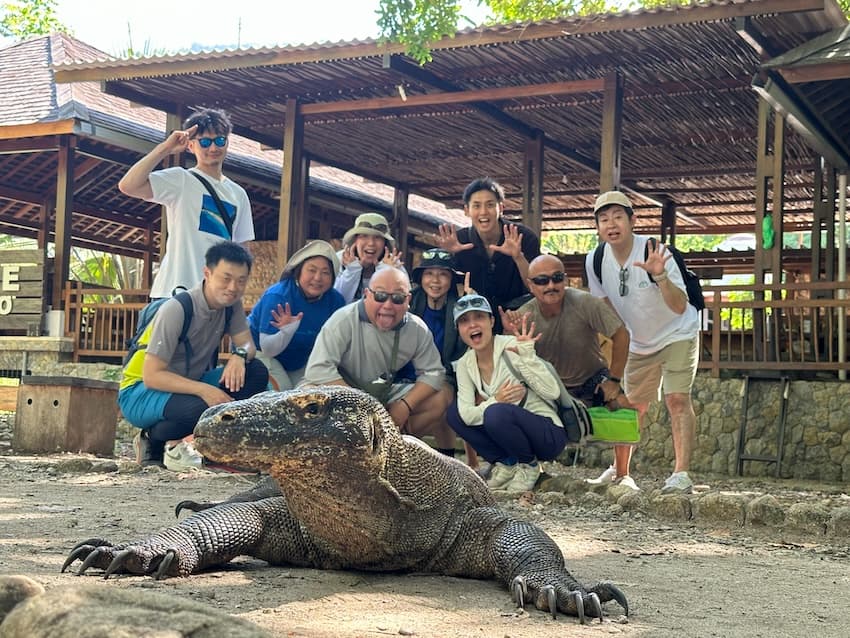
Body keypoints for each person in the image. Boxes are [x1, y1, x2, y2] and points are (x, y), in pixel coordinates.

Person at [585, 191, 700, 494]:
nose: (611, 224)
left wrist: (660, 276)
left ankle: (681, 474)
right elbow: (605, 307)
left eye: (618, 217)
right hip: (638, 341)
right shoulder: (595, 260)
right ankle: (620, 473)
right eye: (604, 219)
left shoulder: (655, 250)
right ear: (597, 226)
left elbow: (679, 306)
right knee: (631, 405)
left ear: (633, 220)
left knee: (677, 399)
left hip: (678, 332)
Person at [118, 241, 269, 470]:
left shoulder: (231, 306)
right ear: (207, 273)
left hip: (188, 383)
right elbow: (152, 376)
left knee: (256, 371)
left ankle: (221, 454)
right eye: (225, 278)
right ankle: (152, 439)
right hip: (140, 391)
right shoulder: (176, 309)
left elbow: (247, 344)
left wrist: (238, 355)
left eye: (241, 280)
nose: (232, 287)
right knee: (201, 409)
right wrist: (205, 390)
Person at [500, 253, 634, 486]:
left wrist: (614, 379)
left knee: (623, 406)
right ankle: (529, 468)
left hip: (592, 379)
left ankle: (622, 474)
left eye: (557, 278)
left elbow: (621, 334)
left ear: (566, 280)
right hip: (549, 386)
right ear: (530, 285)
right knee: (508, 408)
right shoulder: (522, 316)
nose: (550, 285)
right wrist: (512, 336)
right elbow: (510, 363)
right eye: (542, 281)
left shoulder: (586, 303)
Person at [302, 265, 456, 455]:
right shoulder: (343, 320)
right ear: (367, 294)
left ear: (408, 300)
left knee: (441, 397)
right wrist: (359, 404)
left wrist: (405, 405)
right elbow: (318, 369)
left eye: (398, 298)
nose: (388, 306)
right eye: (381, 296)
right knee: (308, 395)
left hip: (383, 393)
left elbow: (434, 373)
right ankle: (330, 453)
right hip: (343, 392)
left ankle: (392, 448)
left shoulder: (416, 329)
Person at [118, 108, 254, 299]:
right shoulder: (181, 179)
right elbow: (128, 185)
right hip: (174, 291)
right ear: (191, 146)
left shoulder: (238, 195)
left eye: (220, 140)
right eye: (205, 142)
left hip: (215, 298)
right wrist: (165, 148)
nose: (213, 148)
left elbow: (242, 253)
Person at [448, 293, 567, 493]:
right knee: (454, 414)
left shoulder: (511, 346)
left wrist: (528, 356)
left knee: (496, 413)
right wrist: (496, 399)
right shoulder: (464, 364)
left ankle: (529, 466)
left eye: (479, 317)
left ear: (491, 321)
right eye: (464, 321)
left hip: (548, 434)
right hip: (509, 431)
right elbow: (467, 415)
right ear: (458, 330)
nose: (472, 325)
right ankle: (507, 463)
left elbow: (552, 391)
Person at [433, 177, 540, 329]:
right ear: (466, 210)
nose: (483, 212)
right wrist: (449, 256)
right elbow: (439, 287)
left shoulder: (523, 237)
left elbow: (537, 287)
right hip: (475, 320)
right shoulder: (458, 240)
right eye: (476, 206)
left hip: (518, 319)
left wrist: (518, 257)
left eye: (490, 205)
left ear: (501, 208)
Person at [408, 248, 478, 467]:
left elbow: (473, 343)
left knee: (443, 397)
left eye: (443, 274)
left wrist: (471, 309)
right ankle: (406, 450)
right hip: (409, 372)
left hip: (447, 372)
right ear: (421, 278)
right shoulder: (409, 302)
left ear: (451, 279)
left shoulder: (460, 305)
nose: (435, 281)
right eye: (429, 274)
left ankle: (450, 460)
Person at [248, 240, 345, 390]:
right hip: (261, 353)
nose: (318, 278)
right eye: (311, 270)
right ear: (298, 271)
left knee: (311, 394)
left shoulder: (336, 301)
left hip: (299, 360)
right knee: (285, 392)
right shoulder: (278, 296)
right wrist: (287, 331)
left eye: (325, 272)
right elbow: (268, 349)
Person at [335, 212, 405, 303]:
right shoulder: (339, 259)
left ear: (385, 243)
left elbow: (401, 304)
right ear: (355, 240)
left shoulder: (394, 264)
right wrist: (352, 271)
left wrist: (387, 273)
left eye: (377, 237)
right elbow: (336, 301)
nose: (371, 243)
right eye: (364, 236)